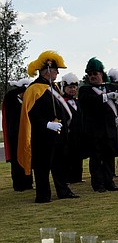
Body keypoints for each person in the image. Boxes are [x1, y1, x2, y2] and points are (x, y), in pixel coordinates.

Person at [18, 50, 79, 203]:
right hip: (42, 136)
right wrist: (46, 124)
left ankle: (63, 191)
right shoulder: (34, 89)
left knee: (60, 165)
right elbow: (30, 115)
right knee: (42, 167)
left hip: (57, 134)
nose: (57, 73)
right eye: (56, 70)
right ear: (48, 71)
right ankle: (43, 195)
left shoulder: (54, 88)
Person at [77, 58, 118, 192]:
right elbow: (87, 101)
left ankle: (109, 181)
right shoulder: (85, 89)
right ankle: (97, 184)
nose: (92, 76)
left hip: (109, 129)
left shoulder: (112, 87)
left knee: (109, 157)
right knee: (96, 158)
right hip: (94, 130)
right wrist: (106, 97)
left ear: (101, 74)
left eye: (95, 73)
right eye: (90, 74)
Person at [2, 77, 33, 191]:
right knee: (16, 162)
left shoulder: (27, 103)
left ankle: (28, 183)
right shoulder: (12, 100)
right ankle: (19, 185)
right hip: (15, 135)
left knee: (27, 159)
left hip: (26, 134)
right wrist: (23, 87)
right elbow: (9, 94)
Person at [60, 73, 84, 184]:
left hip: (78, 134)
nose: (73, 89)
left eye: (74, 87)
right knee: (67, 157)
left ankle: (77, 177)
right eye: (70, 87)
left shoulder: (78, 102)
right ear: (64, 88)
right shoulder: (62, 103)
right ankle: (67, 178)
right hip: (67, 135)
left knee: (78, 156)